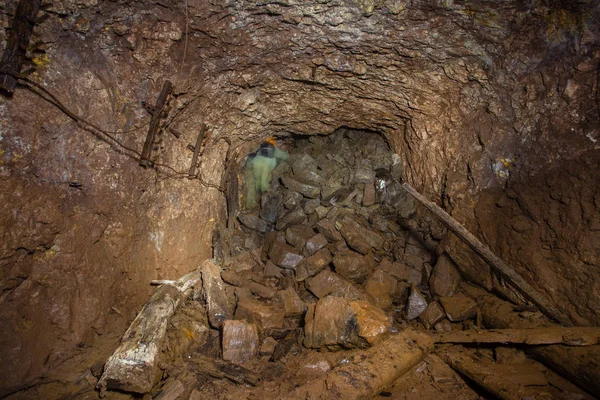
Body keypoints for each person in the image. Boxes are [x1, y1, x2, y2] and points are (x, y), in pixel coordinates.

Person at [244, 138, 288, 209]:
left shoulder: (260, 147)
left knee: (256, 179)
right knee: (265, 179)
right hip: (267, 163)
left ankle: (252, 201)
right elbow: (285, 156)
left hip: (257, 161)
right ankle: (264, 194)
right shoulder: (275, 150)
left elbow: (252, 154)